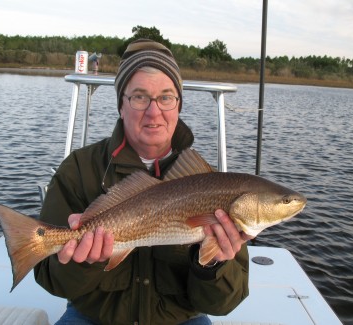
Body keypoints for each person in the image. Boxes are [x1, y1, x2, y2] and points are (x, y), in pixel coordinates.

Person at [34, 39, 250, 325]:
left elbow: (224, 304)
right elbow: (52, 281)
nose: (153, 111)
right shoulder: (79, 169)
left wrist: (212, 264)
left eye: (166, 97)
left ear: (178, 106)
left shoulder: (211, 184)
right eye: (139, 97)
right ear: (121, 106)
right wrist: (85, 262)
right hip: (94, 317)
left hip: (181, 319)